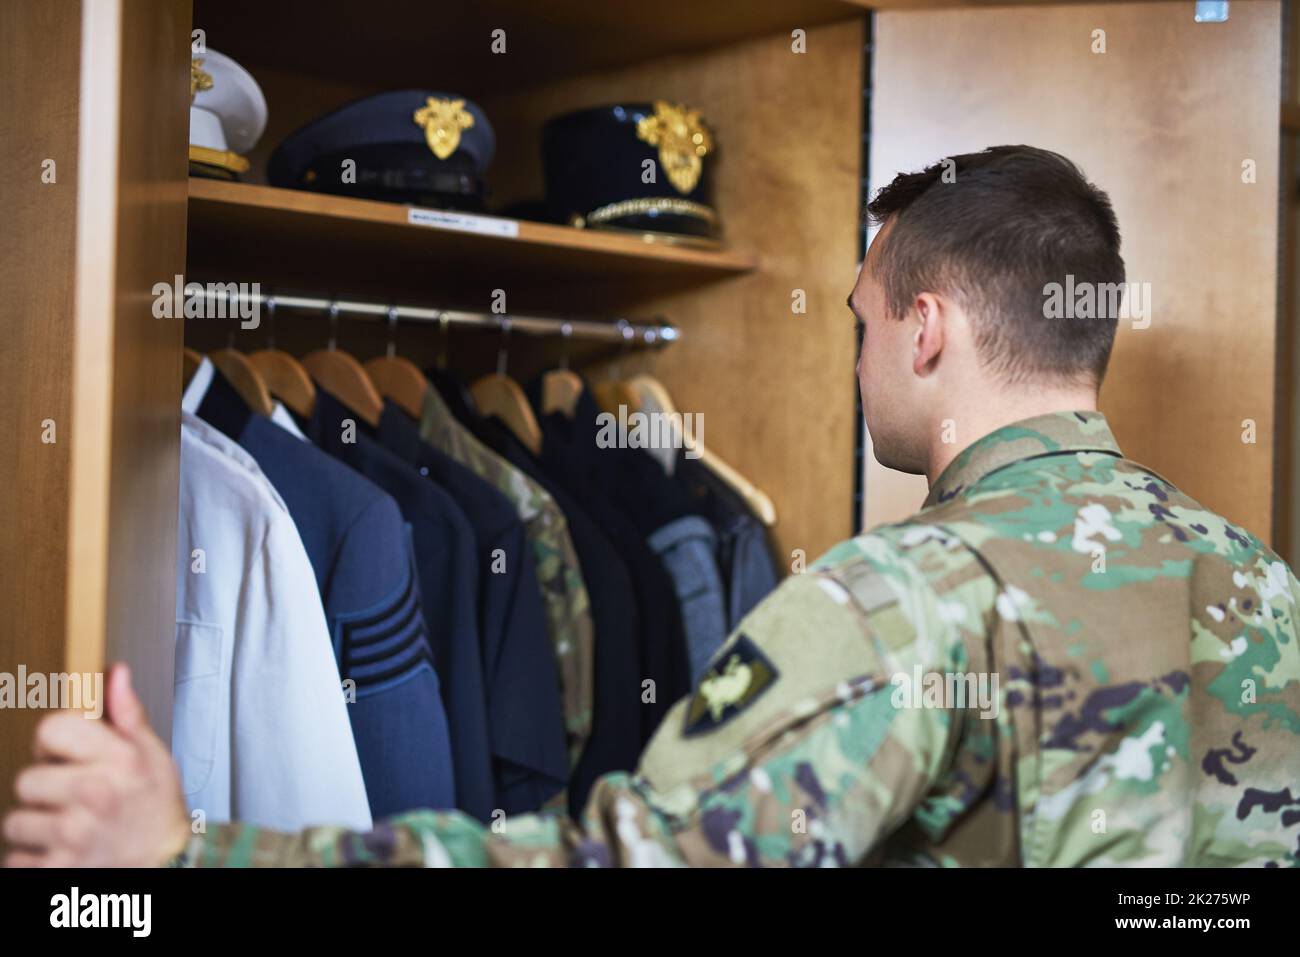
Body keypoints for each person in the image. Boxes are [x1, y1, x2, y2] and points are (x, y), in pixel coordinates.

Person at [6, 145, 1299, 868]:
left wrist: (186, 854)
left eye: (858, 325)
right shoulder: (1263, 583)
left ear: (927, 332)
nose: (848, 363)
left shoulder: (905, 598)